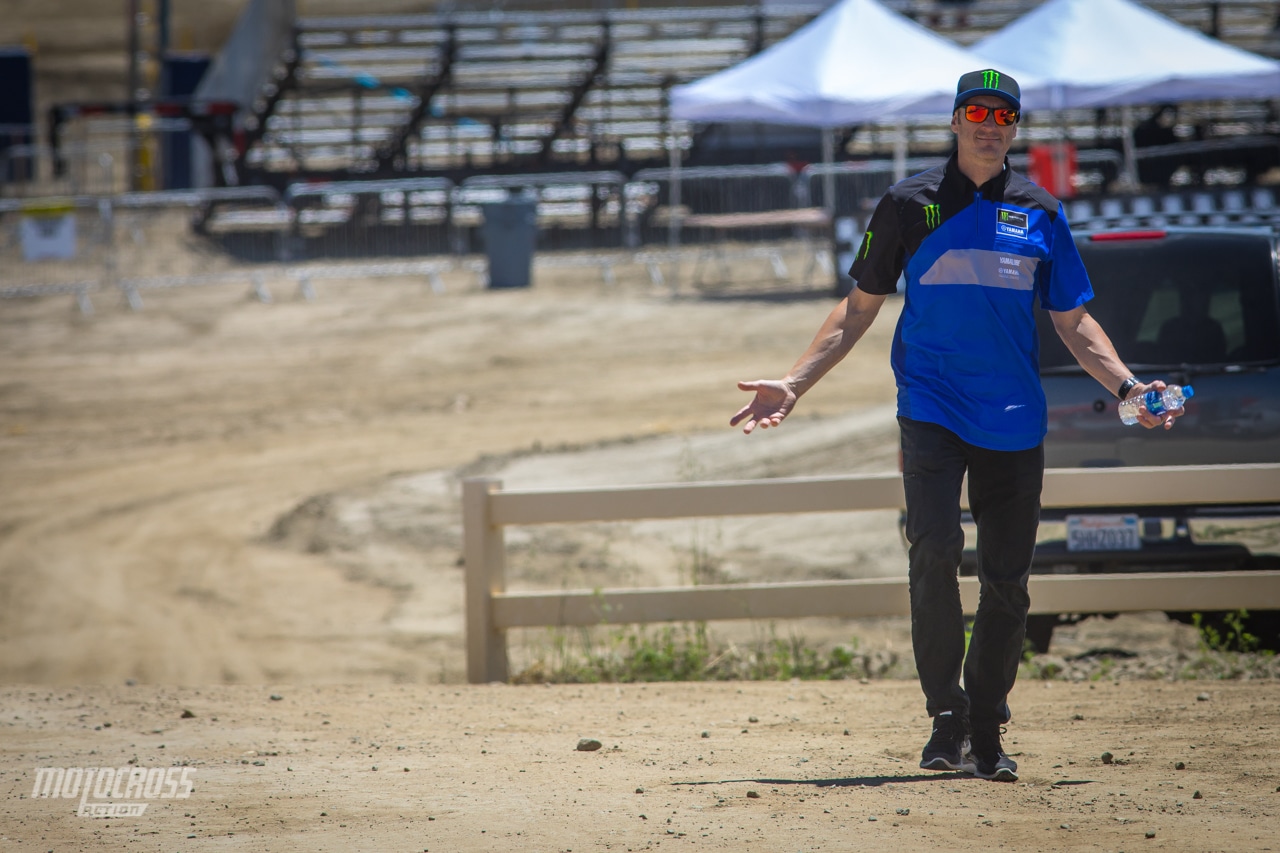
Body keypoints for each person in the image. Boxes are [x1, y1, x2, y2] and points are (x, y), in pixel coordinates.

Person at [729, 69, 1184, 782]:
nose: (989, 123)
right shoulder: (908, 203)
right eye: (976, 109)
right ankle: (946, 712)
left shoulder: (1041, 211)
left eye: (1003, 114)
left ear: (1015, 128)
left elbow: (1074, 320)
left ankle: (986, 725)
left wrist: (1129, 385)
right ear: (953, 120)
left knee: (1008, 581)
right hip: (931, 406)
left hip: (1013, 419)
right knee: (933, 548)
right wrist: (795, 381)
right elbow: (859, 306)